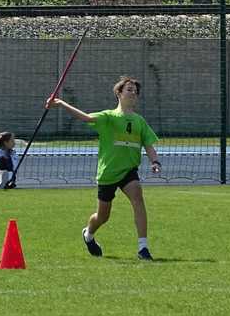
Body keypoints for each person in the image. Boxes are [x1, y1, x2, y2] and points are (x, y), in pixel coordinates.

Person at [47, 76, 161, 260]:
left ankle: (143, 248)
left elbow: (148, 145)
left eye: (135, 91)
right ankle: (88, 234)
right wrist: (61, 103)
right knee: (103, 216)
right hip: (108, 173)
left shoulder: (139, 121)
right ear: (119, 93)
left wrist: (155, 162)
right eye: (129, 89)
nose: (133, 93)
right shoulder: (108, 117)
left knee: (138, 198)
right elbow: (86, 117)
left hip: (129, 171)